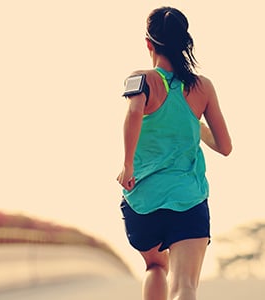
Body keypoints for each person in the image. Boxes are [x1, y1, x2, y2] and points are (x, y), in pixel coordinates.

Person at [117, 6, 232, 300]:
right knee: (185, 286)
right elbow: (225, 146)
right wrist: (194, 120)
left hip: (144, 199)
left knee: (155, 266)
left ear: (148, 43)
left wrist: (128, 166)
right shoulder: (203, 87)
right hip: (188, 198)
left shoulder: (140, 79)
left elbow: (133, 114)